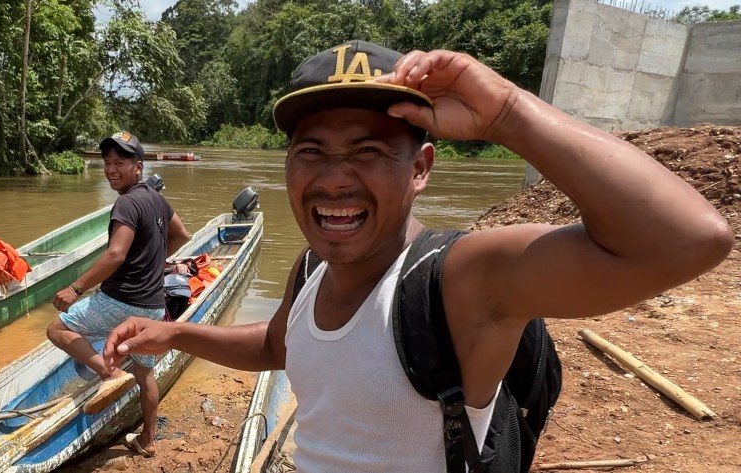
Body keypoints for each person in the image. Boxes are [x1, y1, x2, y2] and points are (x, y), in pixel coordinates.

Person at [101, 40, 733, 471]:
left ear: (421, 168)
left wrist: (509, 114)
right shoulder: (314, 266)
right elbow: (278, 348)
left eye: (370, 151)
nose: (335, 179)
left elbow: (687, 239)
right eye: (312, 152)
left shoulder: (459, 279)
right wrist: (176, 332)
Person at [46, 130, 190, 458]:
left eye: (120, 163)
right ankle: (148, 440)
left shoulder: (126, 202)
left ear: (137, 167)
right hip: (153, 306)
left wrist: (75, 288)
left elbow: (115, 255)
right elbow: (181, 234)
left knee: (57, 328)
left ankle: (110, 374)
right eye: (107, 163)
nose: (111, 169)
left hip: (120, 301)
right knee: (145, 373)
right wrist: (152, 259)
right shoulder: (157, 199)